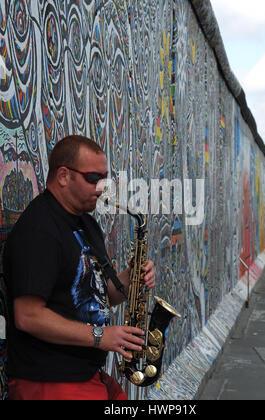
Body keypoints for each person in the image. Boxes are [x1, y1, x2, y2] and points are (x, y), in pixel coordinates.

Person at [3, 135, 156, 400]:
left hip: (84, 373)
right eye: (94, 178)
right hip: (49, 380)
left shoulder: (85, 223)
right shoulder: (40, 230)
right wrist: (100, 336)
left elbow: (98, 294)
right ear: (63, 175)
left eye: (105, 178)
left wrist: (131, 279)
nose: (102, 188)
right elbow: (27, 316)